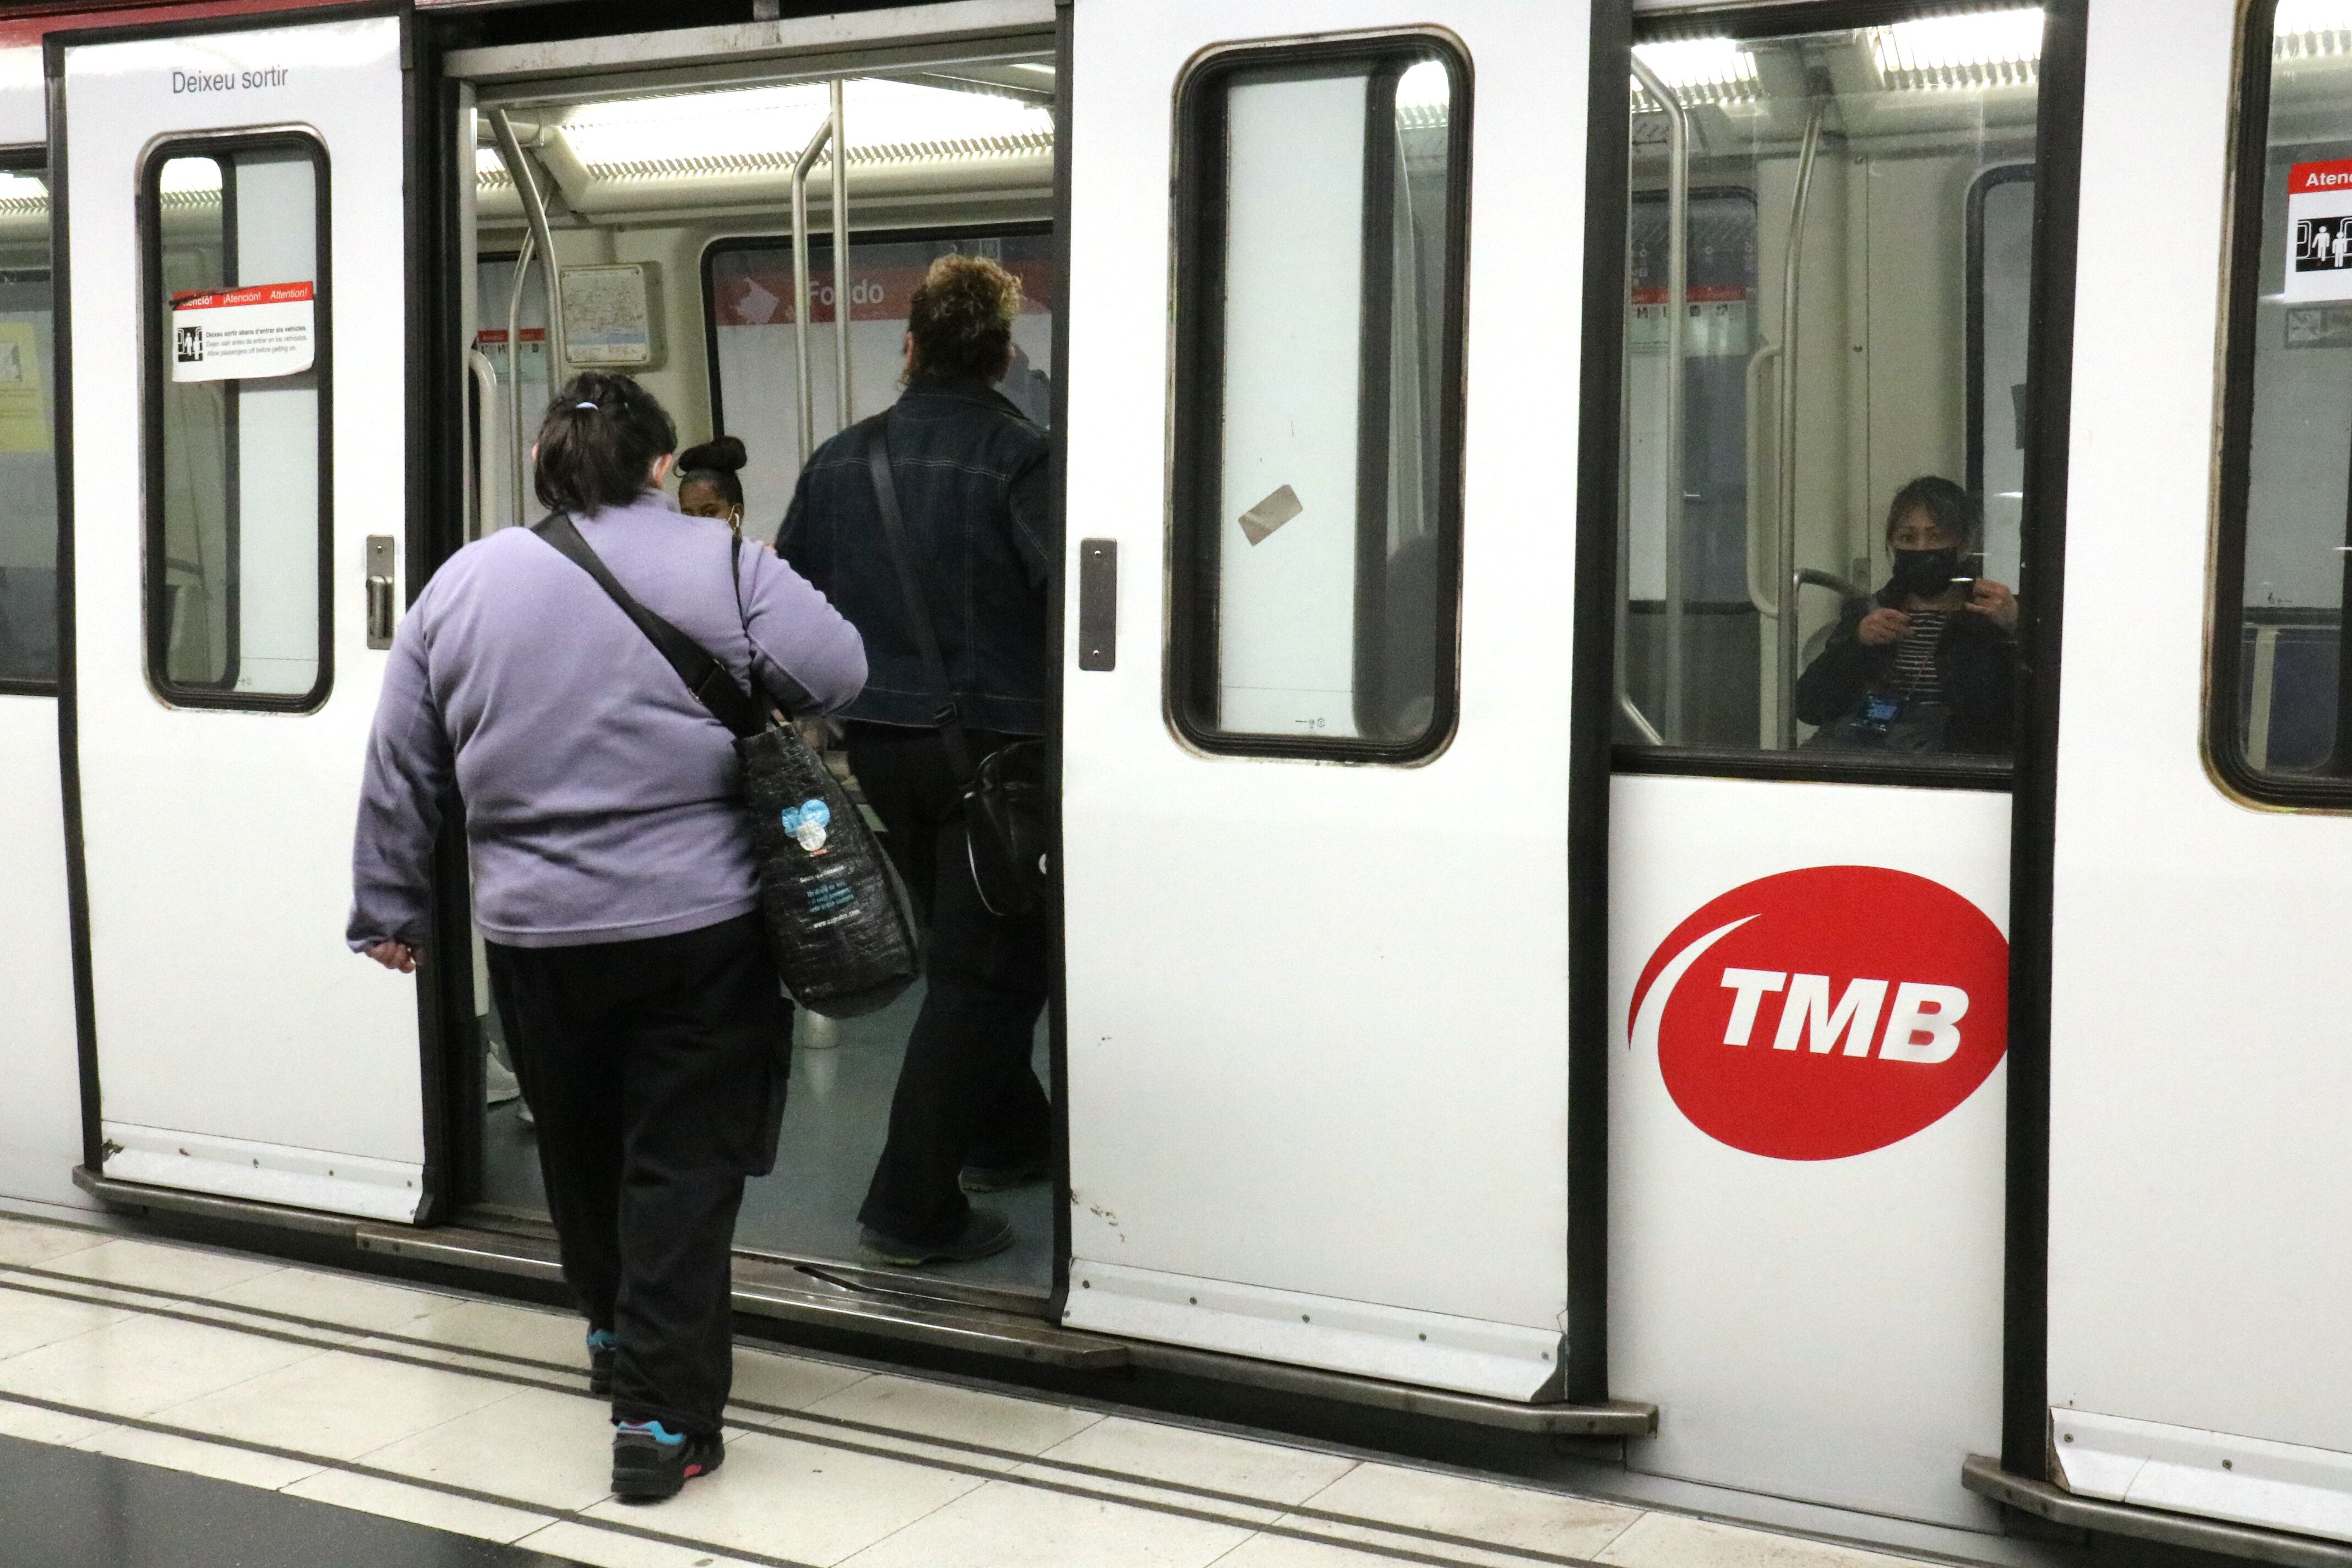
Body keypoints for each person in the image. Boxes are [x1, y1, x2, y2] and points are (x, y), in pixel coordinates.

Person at [346, 371, 865, 1503]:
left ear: (545, 466)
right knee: (682, 1163)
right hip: (701, 926)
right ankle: (660, 1417)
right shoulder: (725, 560)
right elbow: (840, 670)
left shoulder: (463, 582)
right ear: (663, 466)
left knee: (579, 1147)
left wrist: (389, 902)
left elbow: (403, 757)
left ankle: (612, 1330)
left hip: (534, 934)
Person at [777, 253, 1053, 1267]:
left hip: (884, 754)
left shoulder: (838, 463)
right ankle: (909, 1206)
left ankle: (1011, 1135)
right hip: (1000, 761)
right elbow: (1072, 613)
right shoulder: (1024, 460)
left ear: (909, 347)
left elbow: (789, 603)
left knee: (968, 953)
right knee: (995, 976)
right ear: (1003, 355)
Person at [1794, 475, 2018, 755]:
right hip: (1867, 758)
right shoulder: (1871, 611)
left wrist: (2016, 632)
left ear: (1964, 544)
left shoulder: (1989, 616)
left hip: (1952, 764)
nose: (1921, 548)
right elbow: (1809, 707)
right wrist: (1856, 644)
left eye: (1936, 537)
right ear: (1892, 544)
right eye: (1907, 538)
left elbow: (2016, 721)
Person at [677, 435, 748, 536]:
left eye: (709, 514)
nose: (697, 525)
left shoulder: (756, 547)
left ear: (737, 514)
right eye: (688, 517)